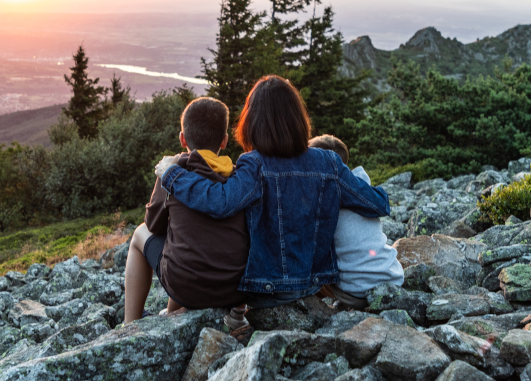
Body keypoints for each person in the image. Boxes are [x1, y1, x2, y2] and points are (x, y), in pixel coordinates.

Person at [154, 75, 390, 309]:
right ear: (298, 119)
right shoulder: (329, 162)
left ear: (252, 122)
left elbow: (220, 202)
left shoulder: (253, 164)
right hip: (311, 285)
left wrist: (171, 174)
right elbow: (379, 204)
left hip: (265, 291)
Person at [123, 97, 249, 326]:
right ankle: (181, 313)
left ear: (182, 139)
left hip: (186, 288)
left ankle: (130, 324)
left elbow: (153, 224)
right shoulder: (237, 176)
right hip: (235, 288)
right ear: (224, 141)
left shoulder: (173, 171)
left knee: (140, 234)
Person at [307, 135, 403, 309]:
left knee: (306, 272)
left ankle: (317, 313)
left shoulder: (321, 201)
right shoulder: (363, 192)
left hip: (357, 293)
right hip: (393, 279)